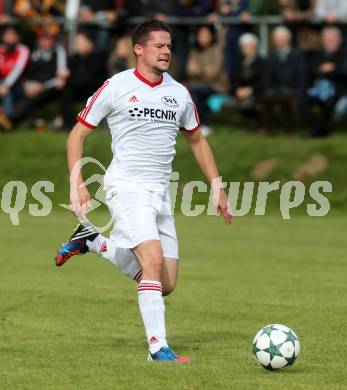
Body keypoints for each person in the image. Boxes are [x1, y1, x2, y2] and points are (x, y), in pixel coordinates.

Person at [54, 20, 232, 363]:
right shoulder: (116, 86)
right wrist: (77, 181)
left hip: (160, 193)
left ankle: (93, 241)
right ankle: (158, 349)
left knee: (165, 283)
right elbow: (77, 135)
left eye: (169, 46)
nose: (166, 51)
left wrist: (216, 185)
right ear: (138, 49)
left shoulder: (179, 93)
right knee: (150, 261)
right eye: (158, 46)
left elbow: (196, 139)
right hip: (126, 186)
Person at [0, 31, 68, 131]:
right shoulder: (32, 51)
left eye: (48, 39)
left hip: (49, 86)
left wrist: (44, 85)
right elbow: (25, 72)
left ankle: (10, 120)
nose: (45, 42)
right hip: (29, 85)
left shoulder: (58, 51)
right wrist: (28, 84)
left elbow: (61, 77)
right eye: (43, 39)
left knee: (34, 98)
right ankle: (8, 119)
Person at [262, 26, 306, 135]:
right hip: (276, 88)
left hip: (292, 88)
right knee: (267, 97)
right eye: (276, 39)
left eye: (281, 39)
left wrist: (296, 91)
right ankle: (269, 129)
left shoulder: (297, 54)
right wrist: (269, 88)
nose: (279, 41)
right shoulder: (271, 55)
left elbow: (301, 75)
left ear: (288, 40)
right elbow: (267, 75)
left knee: (285, 98)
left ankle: (288, 129)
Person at [305, 27, 347, 137]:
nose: (330, 41)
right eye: (328, 39)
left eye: (333, 39)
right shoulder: (317, 54)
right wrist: (321, 70)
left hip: (339, 89)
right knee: (302, 98)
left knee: (330, 100)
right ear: (323, 40)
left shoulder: (344, 54)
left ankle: (316, 130)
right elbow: (311, 70)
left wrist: (332, 69)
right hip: (318, 88)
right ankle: (320, 127)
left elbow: (343, 73)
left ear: (339, 40)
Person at [186, 24, 227, 135]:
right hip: (198, 86)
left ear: (211, 36)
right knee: (193, 95)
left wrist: (197, 70)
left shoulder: (216, 50)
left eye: (206, 35)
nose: (203, 37)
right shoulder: (195, 51)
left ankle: (200, 124)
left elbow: (214, 72)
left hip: (216, 86)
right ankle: (200, 126)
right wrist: (203, 70)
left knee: (190, 90)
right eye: (200, 35)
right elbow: (190, 70)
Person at [60, 31, 106, 129]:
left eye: (80, 43)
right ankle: (69, 125)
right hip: (79, 89)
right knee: (64, 92)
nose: (77, 46)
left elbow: (90, 77)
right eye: (76, 43)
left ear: (89, 43)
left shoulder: (99, 56)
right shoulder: (75, 57)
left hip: (95, 90)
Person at [0, 27, 29, 126]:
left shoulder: (22, 50)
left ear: (17, 37)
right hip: (0, 82)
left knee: (6, 91)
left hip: (17, 85)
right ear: (3, 37)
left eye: (12, 35)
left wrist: (6, 84)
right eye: (7, 35)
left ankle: (8, 119)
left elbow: (18, 70)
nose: (10, 38)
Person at [225, 33, 264, 130]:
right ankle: (250, 120)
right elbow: (234, 79)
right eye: (243, 47)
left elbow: (264, 82)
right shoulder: (238, 62)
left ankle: (255, 121)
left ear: (254, 47)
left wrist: (250, 90)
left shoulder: (261, 62)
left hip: (256, 92)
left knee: (246, 104)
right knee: (229, 103)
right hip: (239, 92)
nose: (245, 49)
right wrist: (238, 90)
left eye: (248, 46)